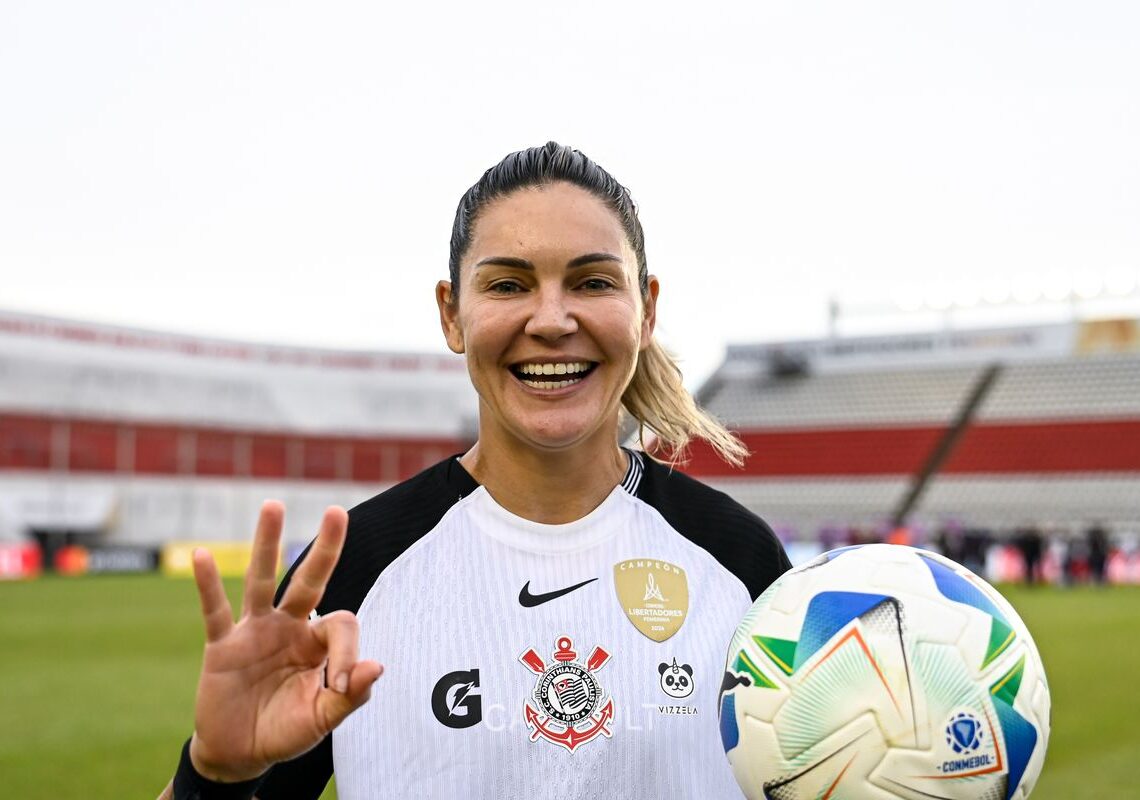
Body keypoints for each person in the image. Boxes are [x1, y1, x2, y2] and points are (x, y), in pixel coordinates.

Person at [160, 142, 791, 800]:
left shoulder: (739, 562)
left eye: (593, 282)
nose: (551, 320)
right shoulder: (357, 567)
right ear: (451, 314)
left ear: (648, 309)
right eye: (508, 285)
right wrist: (214, 776)